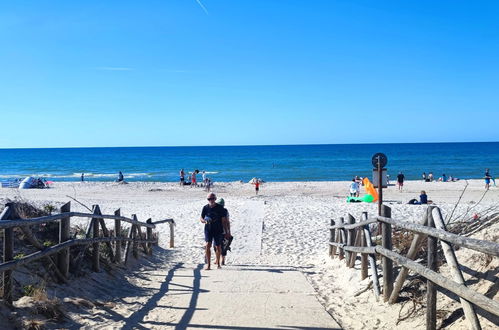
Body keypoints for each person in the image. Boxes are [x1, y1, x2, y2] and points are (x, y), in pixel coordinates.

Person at [200, 193, 229, 270]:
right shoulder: (205, 208)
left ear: (215, 199)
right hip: (208, 229)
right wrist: (204, 221)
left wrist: (226, 232)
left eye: (212, 199)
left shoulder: (220, 208)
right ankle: (208, 265)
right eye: (209, 199)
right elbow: (201, 218)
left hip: (218, 229)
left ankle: (218, 264)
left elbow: (224, 221)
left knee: (218, 246)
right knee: (207, 245)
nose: (211, 200)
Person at [216, 198, 233, 266]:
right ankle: (219, 260)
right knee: (221, 246)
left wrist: (228, 231)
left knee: (222, 246)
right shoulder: (220, 210)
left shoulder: (225, 211)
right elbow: (228, 222)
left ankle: (222, 260)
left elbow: (227, 222)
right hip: (219, 230)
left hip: (223, 231)